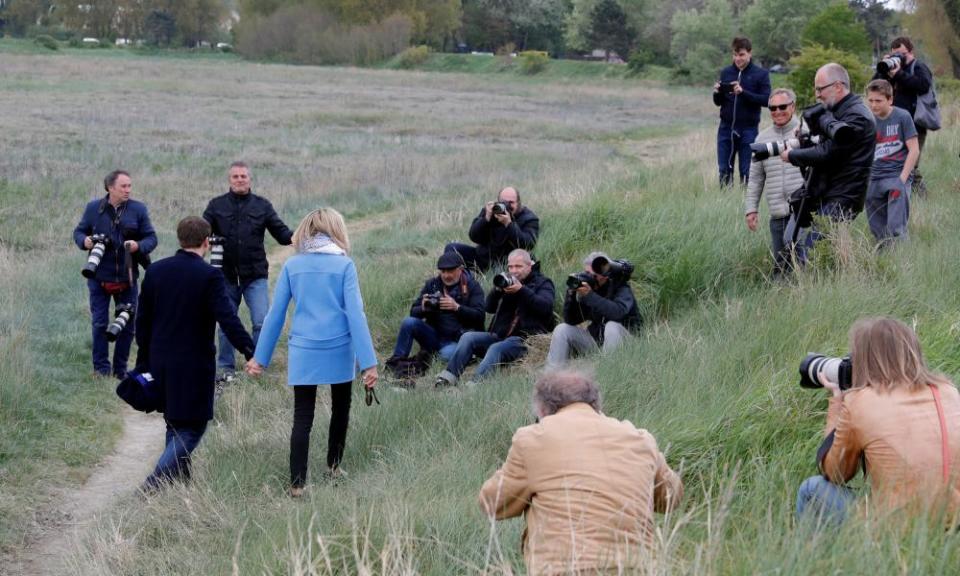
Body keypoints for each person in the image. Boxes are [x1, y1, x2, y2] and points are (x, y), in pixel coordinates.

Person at [479, 371, 683, 575]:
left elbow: (492, 503)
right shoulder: (640, 439)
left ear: (541, 410)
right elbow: (672, 497)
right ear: (596, 405)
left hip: (565, 568)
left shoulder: (532, 439)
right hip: (637, 567)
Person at [244, 208, 378, 497]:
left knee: (302, 417)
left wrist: (260, 358)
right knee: (341, 409)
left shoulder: (294, 266)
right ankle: (333, 466)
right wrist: (369, 363)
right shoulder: (345, 265)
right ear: (335, 229)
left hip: (304, 349)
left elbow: (275, 315)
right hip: (340, 347)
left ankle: (297, 484)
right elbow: (357, 315)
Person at [796, 317, 960, 525]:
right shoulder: (948, 392)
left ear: (863, 359)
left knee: (811, 489)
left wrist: (838, 401)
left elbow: (835, 473)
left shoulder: (861, 402)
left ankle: (814, 555)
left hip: (896, 528)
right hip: (952, 523)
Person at [134, 217, 255, 492]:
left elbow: (142, 322)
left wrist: (144, 360)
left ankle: (183, 488)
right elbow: (228, 319)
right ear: (206, 242)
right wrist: (250, 350)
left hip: (160, 361)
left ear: (179, 239)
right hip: (193, 364)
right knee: (193, 428)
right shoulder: (209, 275)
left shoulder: (156, 272)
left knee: (174, 423)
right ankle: (153, 485)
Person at [203, 161, 293, 378]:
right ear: (229, 180)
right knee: (226, 323)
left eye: (244, 176)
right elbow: (201, 232)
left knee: (262, 322)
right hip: (224, 277)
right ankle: (225, 368)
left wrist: (307, 236)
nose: (240, 179)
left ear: (250, 179)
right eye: (235, 176)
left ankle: (258, 365)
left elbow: (282, 234)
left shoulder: (262, 206)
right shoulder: (216, 205)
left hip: (255, 277)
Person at [781, 63, 876, 262]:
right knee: (798, 246)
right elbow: (823, 147)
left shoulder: (857, 116)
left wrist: (793, 156)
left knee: (812, 254)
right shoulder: (838, 111)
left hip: (843, 196)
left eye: (820, 89)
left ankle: (818, 288)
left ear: (838, 86)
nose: (817, 95)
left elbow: (828, 153)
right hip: (827, 192)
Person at [73, 170, 158, 379]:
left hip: (127, 279)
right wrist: (84, 241)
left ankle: (120, 371)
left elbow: (151, 238)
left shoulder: (138, 209)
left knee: (127, 326)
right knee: (99, 323)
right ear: (110, 187)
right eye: (124, 186)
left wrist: (139, 245)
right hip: (98, 277)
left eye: (130, 186)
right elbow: (79, 232)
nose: (128, 190)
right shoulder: (94, 208)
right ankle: (101, 370)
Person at [434, 249, 554, 387]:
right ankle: (448, 377)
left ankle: (475, 385)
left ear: (530, 266)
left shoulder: (543, 283)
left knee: (496, 348)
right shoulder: (508, 282)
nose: (514, 270)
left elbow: (546, 307)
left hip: (525, 340)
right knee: (468, 337)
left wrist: (521, 290)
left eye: (518, 266)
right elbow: (488, 308)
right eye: (510, 266)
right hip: (500, 336)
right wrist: (497, 290)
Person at [384, 251, 485, 385]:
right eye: (443, 271)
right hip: (433, 335)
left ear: (460, 270)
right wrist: (423, 308)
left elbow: (479, 317)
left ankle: (436, 356)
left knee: (445, 355)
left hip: (456, 339)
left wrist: (457, 307)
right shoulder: (432, 285)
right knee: (408, 322)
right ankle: (396, 361)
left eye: (450, 271)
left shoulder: (472, 287)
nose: (446, 275)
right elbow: (413, 312)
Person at [745, 88, 807, 274]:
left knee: (803, 260)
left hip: (803, 211)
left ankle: (809, 294)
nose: (777, 111)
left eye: (782, 106)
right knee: (781, 264)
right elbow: (755, 178)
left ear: (793, 106)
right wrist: (751, 209)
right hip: (777, 212)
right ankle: (780, 297)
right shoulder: (762, 138)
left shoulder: (806, 133)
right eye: (772, 108)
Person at [545, 251, 641, 369]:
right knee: (562, 329)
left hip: (626, 343)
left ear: (605, 273)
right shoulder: (589, 290)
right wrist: (571, 294)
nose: (590, 277)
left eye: (593, 274)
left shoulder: (621, 288)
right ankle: (551, 378)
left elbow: (617, 312)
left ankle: (609, 373)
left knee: (611, 326)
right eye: (587, 273)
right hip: (596, 345)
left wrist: (590, 295)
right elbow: (572, 320)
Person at [873, 37, 934, 193]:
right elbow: (874, 87)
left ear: (911, 52)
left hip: (915, 122)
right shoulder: (890, 69)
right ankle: (912, 195)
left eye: (902, 54)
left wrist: (899, 74)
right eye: (895, 55)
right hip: (893, 123)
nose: (899, 58)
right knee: (899, 163)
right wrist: (882, 69)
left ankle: (920, 197)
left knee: (911, 163)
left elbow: (923, 85)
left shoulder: (919, 67)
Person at [865, 79, 919, 244]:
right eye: (871, 100)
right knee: (878, 229)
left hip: (896, 175)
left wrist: (902, 179)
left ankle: (904, 263)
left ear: (890, 99)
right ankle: (886, 262)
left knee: (896, 228)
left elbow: (914, 150)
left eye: (878, 101)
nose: (874, 105)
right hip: (873, 178)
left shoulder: (902, 117)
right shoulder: (867, 120)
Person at [712, 37, 771, 187]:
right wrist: (717, 93)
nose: (738, 58)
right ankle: (724, 203)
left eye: (742, 55)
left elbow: (766, 100)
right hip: (726, 128)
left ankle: (746, 206)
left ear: (750, 54)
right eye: (735, 55)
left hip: (748, 129)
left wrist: (743, 92)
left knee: (746, 171)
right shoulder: (726, 72)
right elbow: (718, 102)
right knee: (724, 170)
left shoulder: (761, 74)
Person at [444, 186, 539, 271]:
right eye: (504, 202)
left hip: (509, 263)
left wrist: (509, 224)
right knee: (451, 248)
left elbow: (528, 244)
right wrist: (486, 219)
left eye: (511, 203)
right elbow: (474, 237)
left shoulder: (529, 218)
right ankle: (462, 280)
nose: (507, 206)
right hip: (483, 258)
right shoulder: (490, 211)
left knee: (531, 261)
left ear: (518, 203)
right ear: (498, 201)